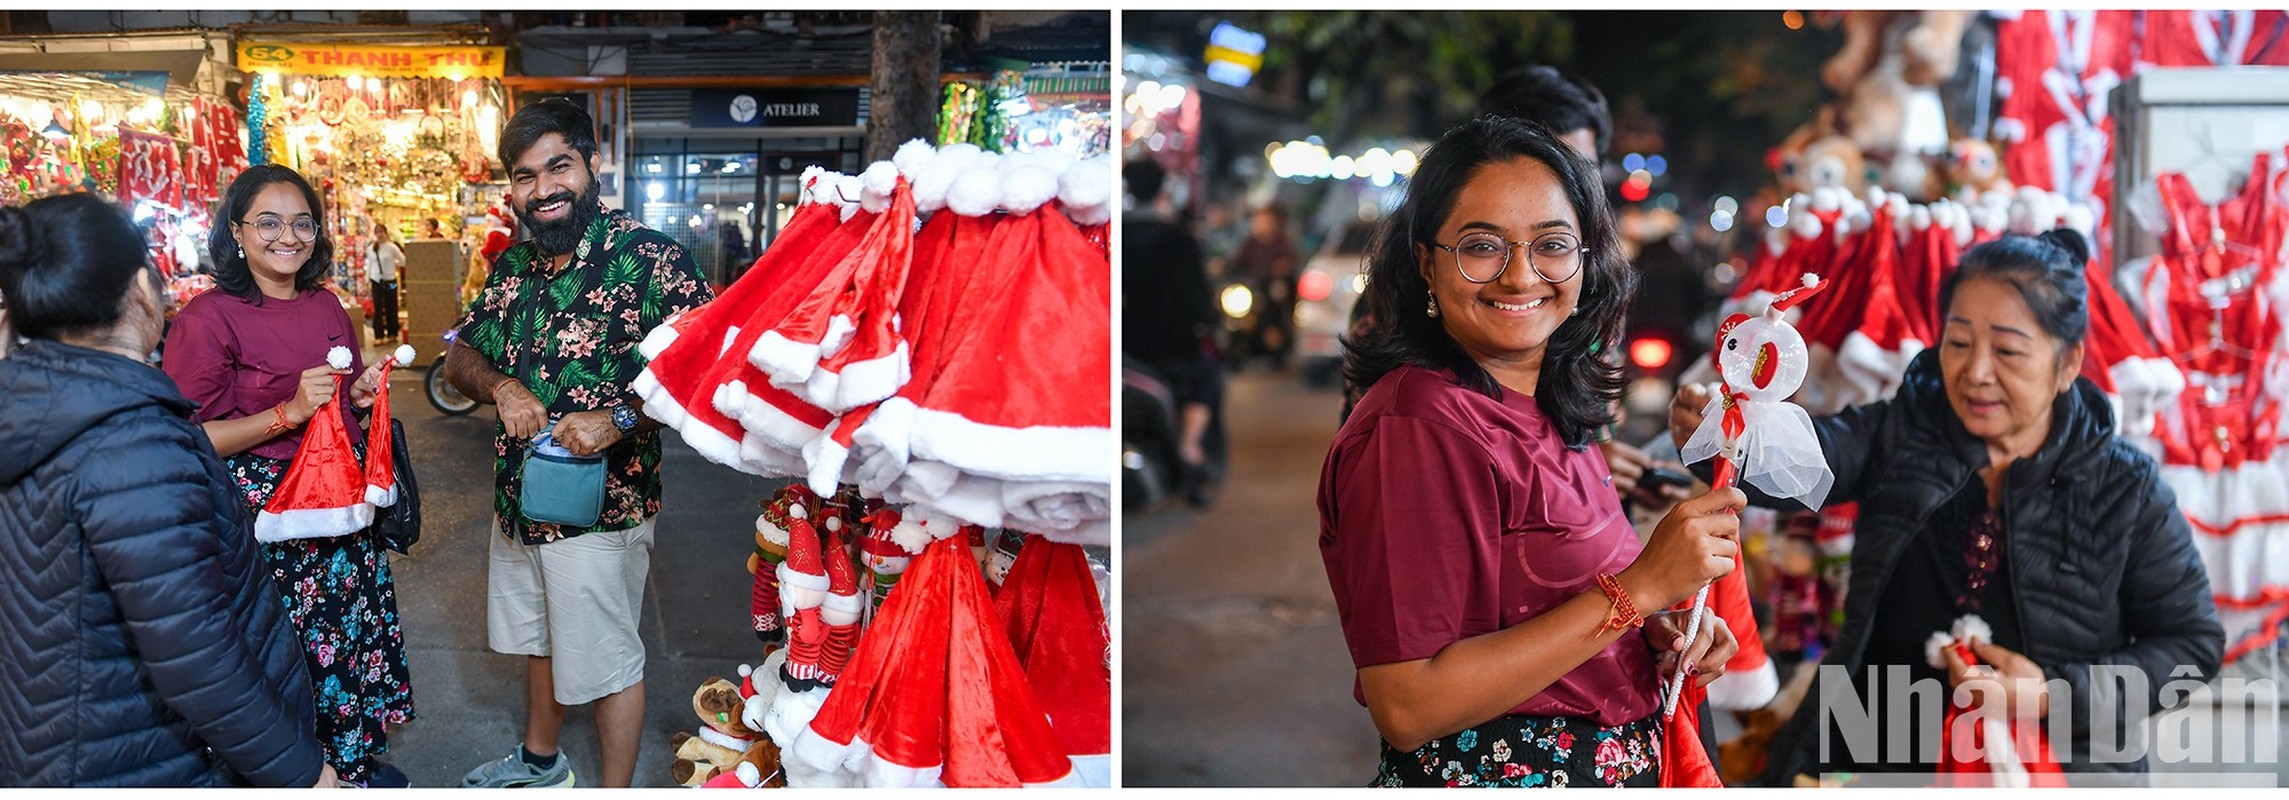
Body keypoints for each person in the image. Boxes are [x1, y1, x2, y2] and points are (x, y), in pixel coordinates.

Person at [1666, 230, 2223, 785]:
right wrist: (1723, 434)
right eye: (1958, 342)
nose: (1976, 371)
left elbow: (2190, 645)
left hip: (2061, 770)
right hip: (1882, 754)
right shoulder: (1905, 428)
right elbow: (1816, 457)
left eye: (2007, 350)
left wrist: (2052, 694)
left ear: (2068, 362)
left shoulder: (2125, 484)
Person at [1320, 115, 1744, 787]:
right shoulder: (1417, 425)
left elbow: (1550, 611)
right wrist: (1636, 592)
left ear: (1586, 256)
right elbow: (1406, 704)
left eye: (1551, 244)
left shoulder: (1550, 405)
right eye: (1482, 246)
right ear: (1426, 261)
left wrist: (1650, 634)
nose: (1521, 277)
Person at [0, 193, 337, 788]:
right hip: (139, 754)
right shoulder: (136, 443)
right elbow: (196, 655)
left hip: (51, 737)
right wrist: (300, 771)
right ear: (139, 289)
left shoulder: (30, 408)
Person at [445, 97, 714, 789]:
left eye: (557, 167)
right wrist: (501, 386)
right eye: (525, 176)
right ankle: (542, 764)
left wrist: (620, 420)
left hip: (602, 510)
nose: (543, 189)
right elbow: (459, 358)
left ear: (591, 165)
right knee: (540, 643)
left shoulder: (652, 261)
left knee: (606, 662)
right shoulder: (512, 268)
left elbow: (710, 371)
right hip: (519, 502)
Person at [160, 165, 412, 788]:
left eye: (302, 222)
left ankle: (349, 760)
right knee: (282, 650)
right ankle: (295, 772)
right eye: (268, 222)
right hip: (267, 520)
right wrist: (287, 413)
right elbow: (187, 437)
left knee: (351, 633)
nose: (288, 237)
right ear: (237, 233)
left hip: (343, 506)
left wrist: (359, 397)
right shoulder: (208, 319)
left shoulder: (327, 305)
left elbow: (339, 401)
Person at [1121, 156, 1222, 506]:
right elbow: (1197, 295)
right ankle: (1189, 448)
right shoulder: (1179, 239)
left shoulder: (1118, 231)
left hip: (1126, 345)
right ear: (1163, 188)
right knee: (1205, 381)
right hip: (1173, 346)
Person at [1229, 203, 1300, 369]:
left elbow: (1289, 261)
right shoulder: (1250, 243)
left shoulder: (1281, 242)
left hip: (1271, 289)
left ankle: (1277, 336)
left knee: (1277, 297)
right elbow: (1236, 262)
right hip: (1251, 289)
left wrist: (1281, 267)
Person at [367, 223, 403, 344]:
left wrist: (395, 265)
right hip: (376, 280)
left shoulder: (392, 247)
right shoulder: (371, 248)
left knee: (391, 306)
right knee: (377, 308)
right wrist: (367, 280)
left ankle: (392, 333)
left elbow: (403, 261)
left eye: (381, 232)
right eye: (377, 232)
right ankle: (379, 336)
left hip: (390, 280)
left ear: (386, 233)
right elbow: (369, 266)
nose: (379, 235)